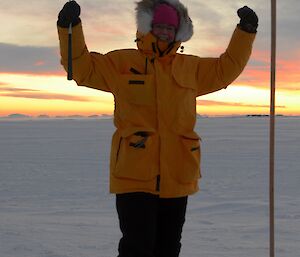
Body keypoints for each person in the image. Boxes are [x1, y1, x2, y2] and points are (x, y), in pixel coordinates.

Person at [57, 1, 258, 256]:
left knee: (169, 247)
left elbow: (226, 69)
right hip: (134, 174)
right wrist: (69, 27)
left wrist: (245, 32)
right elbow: (82, 69)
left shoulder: (191, 68)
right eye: (159, 26)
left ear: (179, 31)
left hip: (178, 173)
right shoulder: (121, 63)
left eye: (170, 27)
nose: (164, 32)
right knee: (137, 247)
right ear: (147, 26)